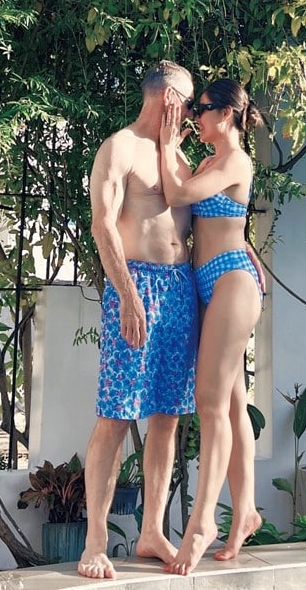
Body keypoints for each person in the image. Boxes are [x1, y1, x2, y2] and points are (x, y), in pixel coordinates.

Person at [77, 60, 200, 579]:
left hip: (179, 291)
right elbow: (102, 224)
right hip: (137, 287)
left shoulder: (178, 157)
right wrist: (128, 296)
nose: (192, 113)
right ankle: (95, 542)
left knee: (167, 417)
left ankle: (152, 531)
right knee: (115, 415)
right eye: (189, 102)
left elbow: (205, 224)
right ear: (169, 98)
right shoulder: (120, 147)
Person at [159, 78, 264, 575]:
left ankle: (202, 522)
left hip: (231, 284)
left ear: (226, 114)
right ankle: (246, 511)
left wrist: (166, 144)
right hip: (210, 284)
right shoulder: (209, 162)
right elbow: (204, 211)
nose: (194, 116)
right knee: (233, 402)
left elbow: (178, 192)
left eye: (201, 109)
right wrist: (173, 149)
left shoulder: (236, 161)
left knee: (209, 404)